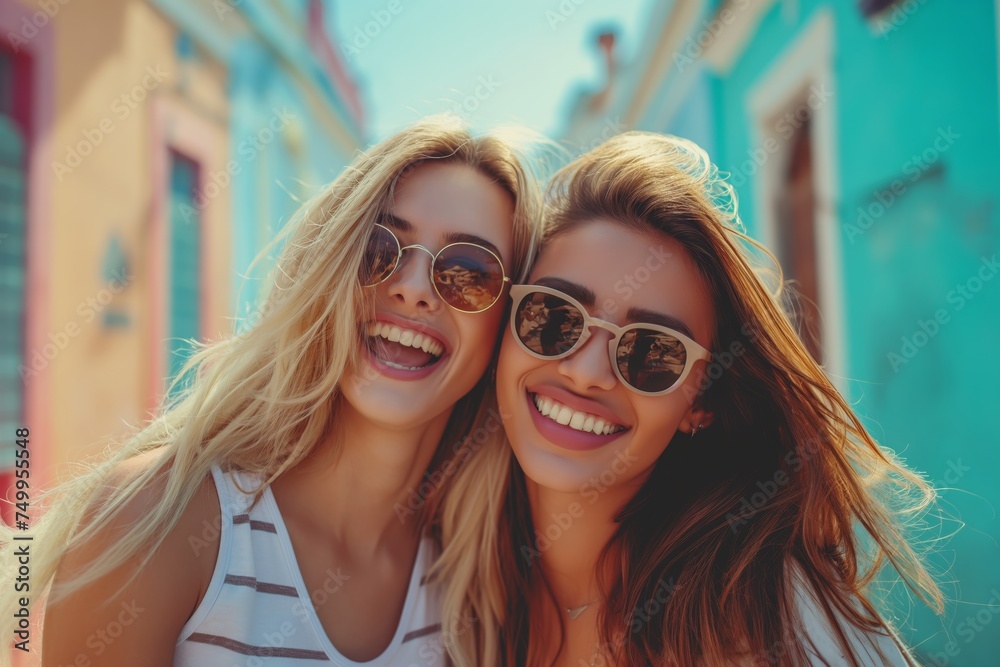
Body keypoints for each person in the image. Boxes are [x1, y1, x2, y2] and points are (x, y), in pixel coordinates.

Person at [3, 115, 543, 666]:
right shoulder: (153, 523)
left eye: (470, 272)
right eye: (377, 247)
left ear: (511, 324)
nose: (411, 289)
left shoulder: (480, 589)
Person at [434, 132, 941, 666]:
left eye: (653, 352)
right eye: (554, 316)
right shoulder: (452, 597)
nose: (586, 372)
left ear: (702, 403)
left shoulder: (776, 620)